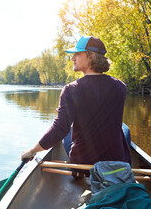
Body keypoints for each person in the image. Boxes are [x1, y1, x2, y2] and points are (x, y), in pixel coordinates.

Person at [21, 36, 131, 165]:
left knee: (68, 131)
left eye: (77, 54)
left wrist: (32, 150)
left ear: (92, 56)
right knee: (124, 128)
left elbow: (59, 129)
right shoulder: (120, 87)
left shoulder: (71, 89)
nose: (72, 58)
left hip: (82, 166)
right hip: (116, 164)